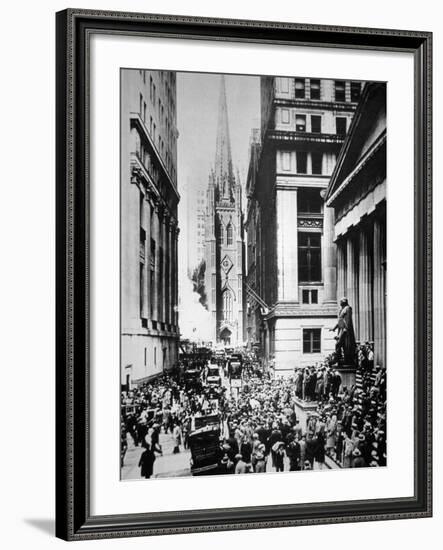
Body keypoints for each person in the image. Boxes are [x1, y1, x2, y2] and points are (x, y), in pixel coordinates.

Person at [330, 297, 356, 365]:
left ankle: (342, 359)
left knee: (341, 345)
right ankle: (339, 359)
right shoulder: (342, 309)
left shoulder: (348, 308)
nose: (340, 303)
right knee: (339, 344)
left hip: (345, 330)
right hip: (341, 329)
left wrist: (346, 329)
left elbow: (348, 320)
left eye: (341, 301)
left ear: (344, 302)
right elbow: (340, 321)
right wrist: (334, 328)